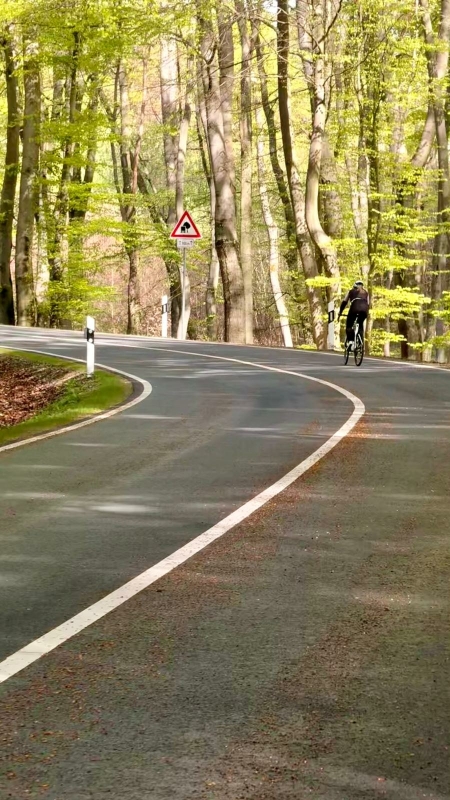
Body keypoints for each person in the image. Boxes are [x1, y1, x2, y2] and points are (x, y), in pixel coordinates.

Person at [338, 280, 370, 347]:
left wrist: (340, 313)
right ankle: (360, 343)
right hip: (364, 310)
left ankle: (351, 341)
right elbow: (368, 304)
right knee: (360, 324)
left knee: (349, 325)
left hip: (354, 308)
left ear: (354, 286)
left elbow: (344, 302)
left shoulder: (351, 291)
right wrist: (366, 314)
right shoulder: (366, 293)